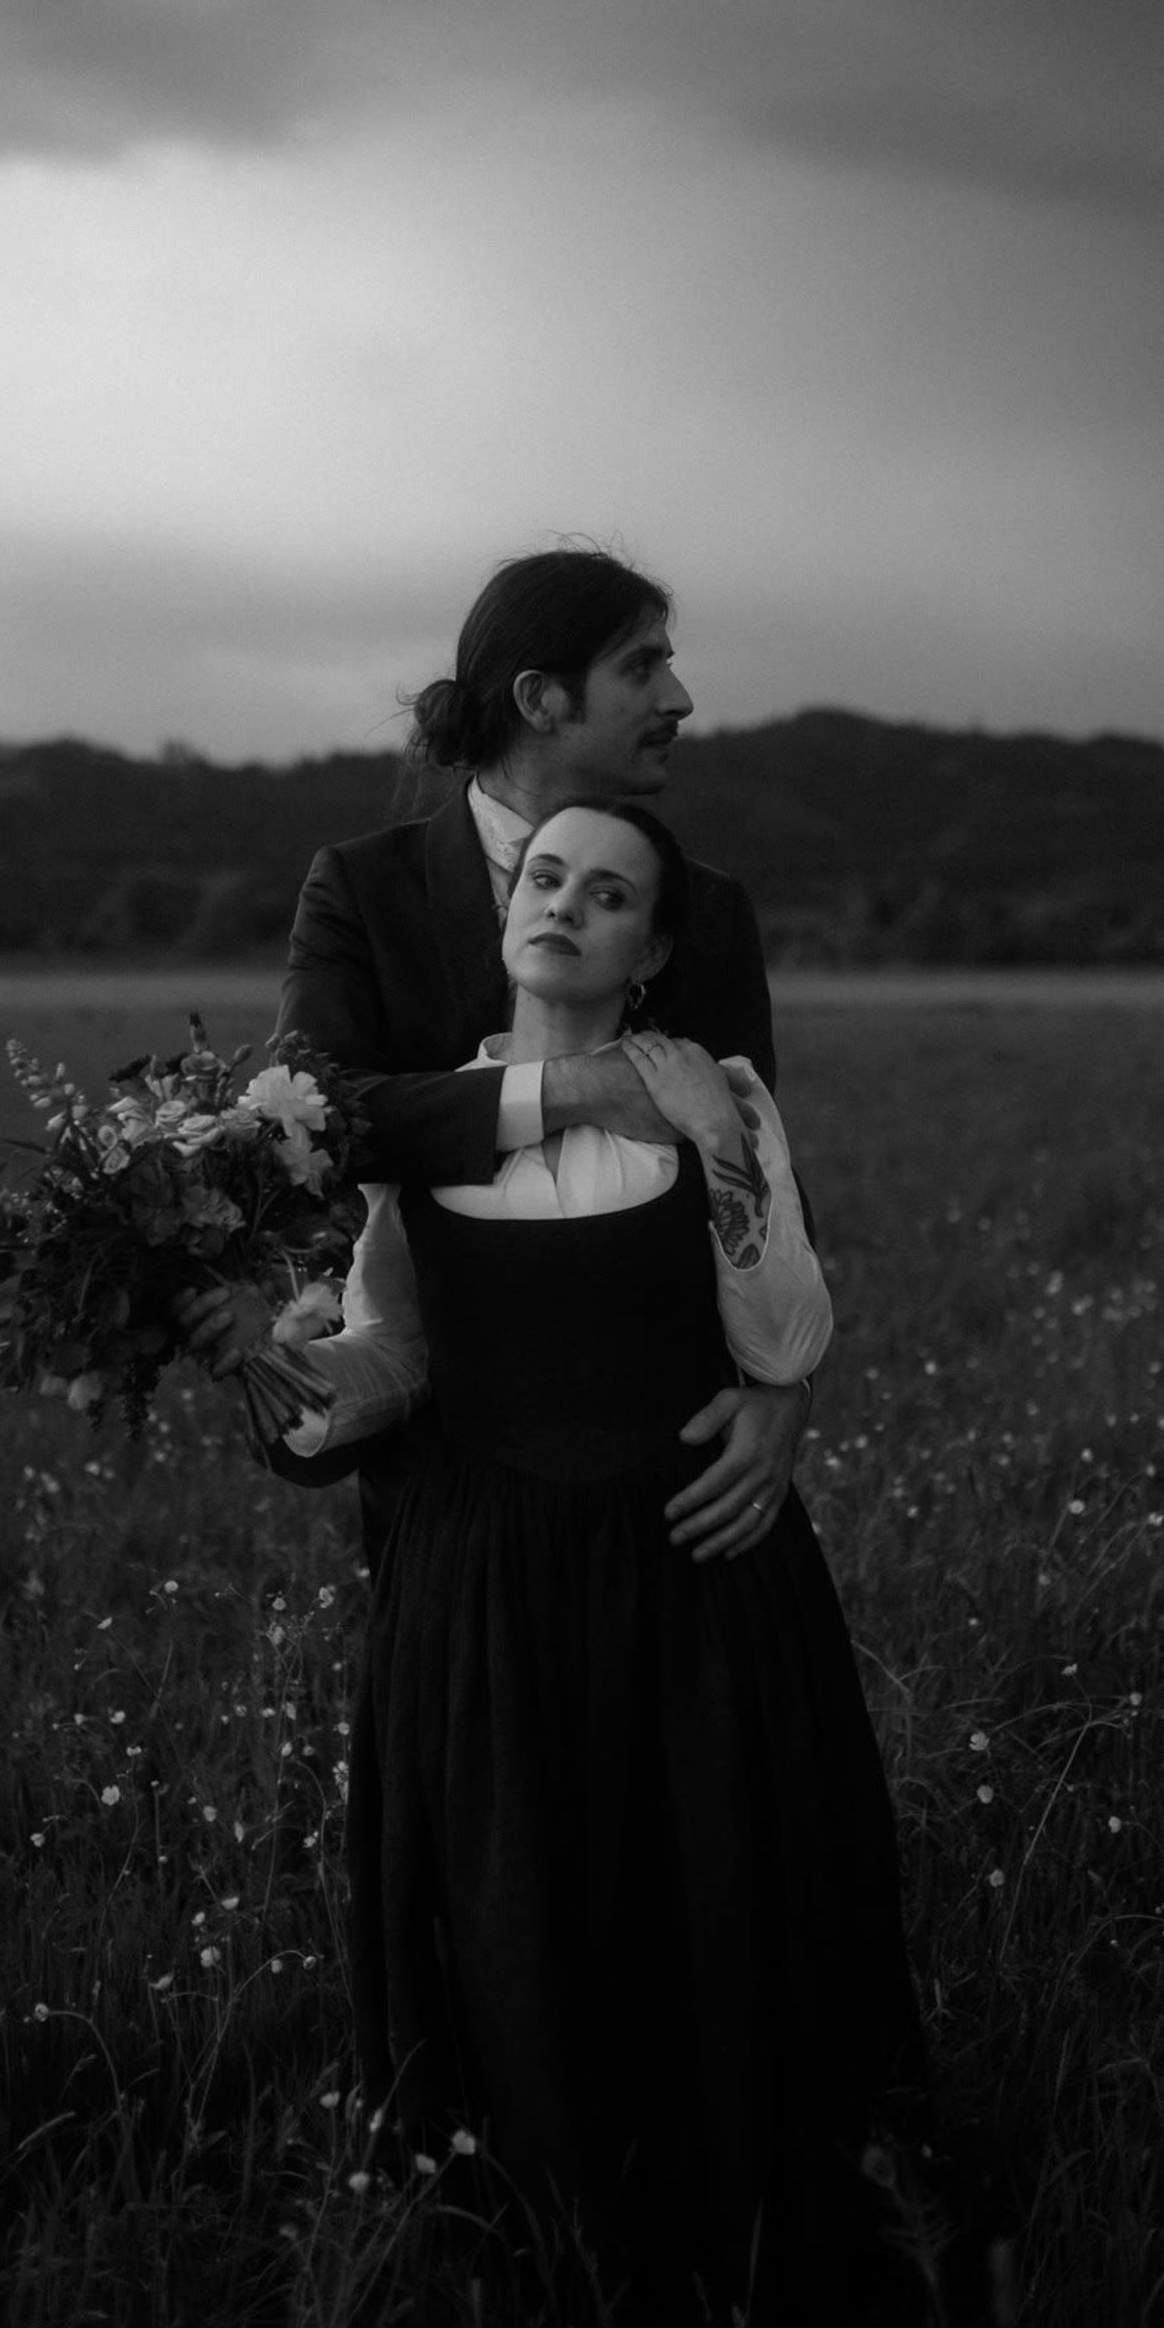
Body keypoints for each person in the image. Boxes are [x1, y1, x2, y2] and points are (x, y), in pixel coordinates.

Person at [186, 801, 930, 2328]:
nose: (568, 906)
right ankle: (533, 2253)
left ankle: (736, 2253)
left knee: (712, 1896)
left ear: (655, 948)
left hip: (695, 1569)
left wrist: (716, 1142)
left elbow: (784, 1338)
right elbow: (394, 1355)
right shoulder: (427, 1115)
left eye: (612, 895)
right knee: (517, 1902)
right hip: (483, 1579)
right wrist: (281, 1375)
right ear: (506, 904)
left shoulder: (714, 1091)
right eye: (546, 878)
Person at [275, 546, 810, 1574]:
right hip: (448, 1477)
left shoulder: (706, 909)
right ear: (542, 698)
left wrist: (787, 1393)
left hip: (682, 1477)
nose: (681, 698)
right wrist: (569, 1090)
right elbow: (322, 1122)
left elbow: (759, 1171)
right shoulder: (360, 889)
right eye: (643, 667)